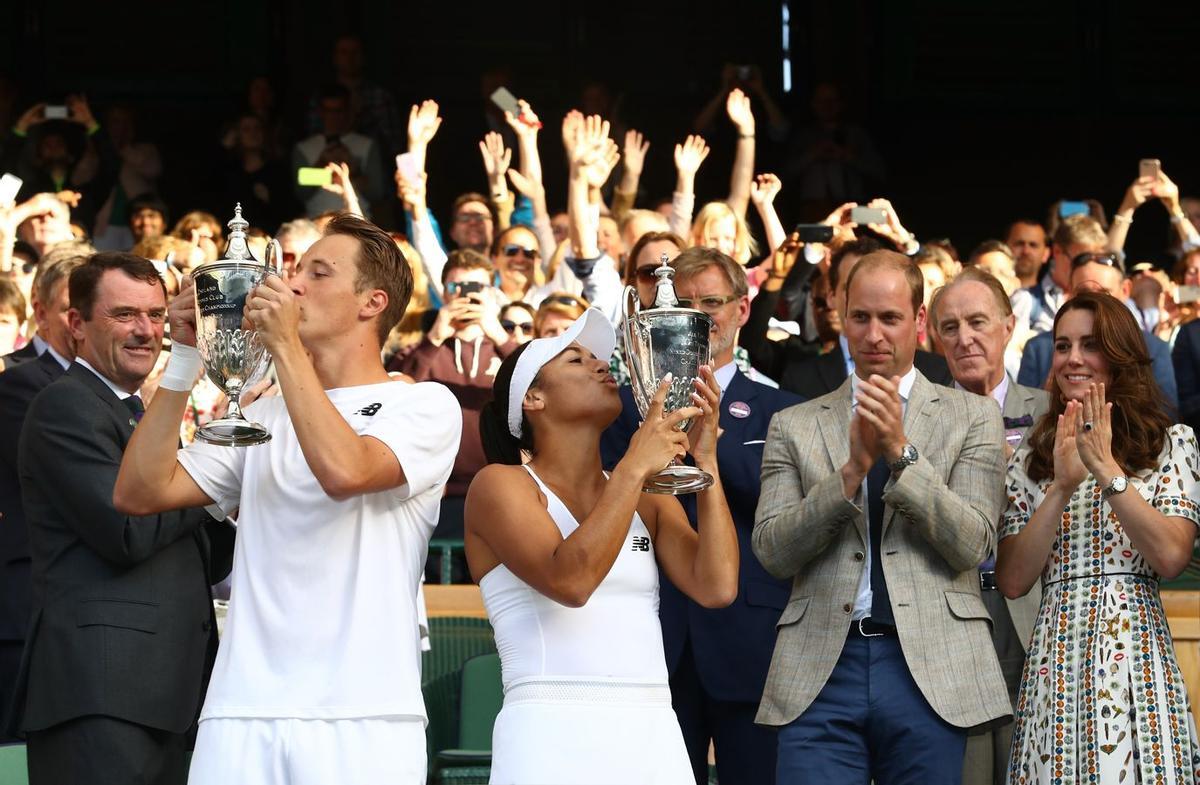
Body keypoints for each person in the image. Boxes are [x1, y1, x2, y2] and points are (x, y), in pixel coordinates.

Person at [112, 213, 459, 784]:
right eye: (297, 270)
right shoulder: (261, 413)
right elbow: (140, 491)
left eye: (318, 274)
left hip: (363, 714)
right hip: (240, 708)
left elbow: (345, 471)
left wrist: (285, 349)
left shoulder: (425, 405)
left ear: (372, 303)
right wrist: (184, 358)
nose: (292, 285)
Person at [753, 251, 1010, 784]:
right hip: (821, 665)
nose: (874, 334)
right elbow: (772, 552)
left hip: (930, 665)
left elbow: (972, 543)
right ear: (842, 319)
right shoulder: (793, 424)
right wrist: (849, 475)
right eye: (861, 317)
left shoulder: (973, 415)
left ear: (918, 323)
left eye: (890, 318)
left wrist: (899, 451)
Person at [467, 309, 739, 784]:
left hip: (652, 729)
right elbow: (570, 582)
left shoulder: (643, 493)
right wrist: (635, 467)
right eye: (575, 360)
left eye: (598, 356)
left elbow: (715, 586)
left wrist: (706, 461)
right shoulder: (497, 485)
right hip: (548, 734)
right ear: (532, 398)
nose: (600, 365)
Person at [6, 253, 233, 783]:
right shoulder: (63, 405)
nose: (145, 331)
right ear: (77, 325)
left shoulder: (136, 413)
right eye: (125, 315)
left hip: (161, 693)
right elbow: (128, 529)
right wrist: (214, 477)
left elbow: (198, 547)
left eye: (156, 316)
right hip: (100, 697)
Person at [600, 247, 802, 785]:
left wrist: (705, 444)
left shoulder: (783, 410)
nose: (698, 315)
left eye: (711, 302)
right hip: (654, 633)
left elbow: (781, 508)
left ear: (742, 308)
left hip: (749, 632)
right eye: (684, 303)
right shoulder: (627, 406)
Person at [996, 291, 1200, 784]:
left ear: (1119, 354)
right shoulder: (1032, 456)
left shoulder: (1172, 443)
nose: (1073, 358)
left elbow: (1172, 555)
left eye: (1090, 344)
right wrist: (1061, 487)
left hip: (1136, 664)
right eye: (1062, 345)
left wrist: (1106, 470)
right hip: (1055, 666)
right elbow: (1013, 579)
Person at [927, 267, 1050, 785]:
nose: (965, 337)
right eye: (950, 326)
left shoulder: (1051, 414)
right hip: (952, 623)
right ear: (934, 337)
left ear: (1008, 324)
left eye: (977, 321)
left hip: (1038, 623)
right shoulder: (917, 419)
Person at [393, 248, 516, 581]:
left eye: (476, 289)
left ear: (492, 294)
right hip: (437, 495)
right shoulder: (424, 348)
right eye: (457, 289)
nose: (466, 298)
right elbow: (395, 394)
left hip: (500, 492)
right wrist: (435, 338)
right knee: (442, 595)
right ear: (443, 292)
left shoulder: (507, 348)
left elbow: (539, 383)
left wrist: (498, 333)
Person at [0, 250, 83, 742]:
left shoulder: (129, 391)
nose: (81, 318)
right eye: (73, 303)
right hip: (26, 609)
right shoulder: (16, 384)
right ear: (41, 308)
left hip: (85, 619)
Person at [760, 238, 953, 398]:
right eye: (851, 287)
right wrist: (777, 276)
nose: (874, 335)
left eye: (889, 317)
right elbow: (754, 346)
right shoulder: (800, 375)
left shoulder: (941, 374)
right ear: (832, 297)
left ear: (919, 318)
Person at [1018, 251, 1178, 409]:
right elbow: (1021, 423)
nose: (1094, 303)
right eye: (1062, 347)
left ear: (1125, 290)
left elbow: (1166, 416)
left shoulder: (1154, 348)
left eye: (1104, 293)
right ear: (1069, 293)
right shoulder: (1038, 348)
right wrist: (1050, 399)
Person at [293, 83, 385, 219]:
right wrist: (322, 163)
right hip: (317, 223)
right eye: (328, 110)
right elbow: (302, 193)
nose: (333, 116)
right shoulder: (304, 148)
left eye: (338, 110)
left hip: (358, 221)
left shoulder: (366, 145)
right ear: (320, 112)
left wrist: (352, 167)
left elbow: (377, 193)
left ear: (348, 111)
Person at [1005, 219, 1051, 290]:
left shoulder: (1058, 300)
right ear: (1005, 247)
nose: (1026, 251)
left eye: (1033, 245)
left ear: (1046, 254)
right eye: (1019, 244)